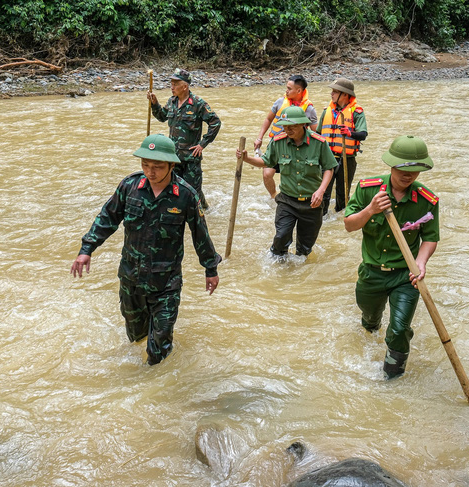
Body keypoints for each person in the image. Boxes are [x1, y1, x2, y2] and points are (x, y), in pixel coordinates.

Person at [70, 134, 221, 365]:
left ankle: (156, 388)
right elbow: (107, 218)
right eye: (145, 165)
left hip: (166, 284)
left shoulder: (186, 195)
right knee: (136, 338)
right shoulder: (129, 186)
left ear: (172, 165)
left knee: (158, 350)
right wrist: (86, 249)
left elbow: (200, 234)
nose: (151, 172)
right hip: (131, 280)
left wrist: (210, 268)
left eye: (158, 167)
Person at [343, 135, 439, 379]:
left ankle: (391, 377)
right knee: (370, 319)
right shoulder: (368, 189)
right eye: (403, 169)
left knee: (399, 329)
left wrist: (421, 262)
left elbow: (430, 238)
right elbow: (349, 225)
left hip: (405, 276)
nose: (408, 176)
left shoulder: (427, 201)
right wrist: (371, 209)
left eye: (415, 171)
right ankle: (371, 326)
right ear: (392, 165)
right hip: (372, 273)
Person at [238, 106, 337, 257]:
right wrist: (246, 159)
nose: (288, 130)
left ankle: (298, 276)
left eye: (292, 127)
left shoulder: (319, 143)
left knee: (304, 250)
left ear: (303, 125)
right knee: (280, 238)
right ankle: (279, 271)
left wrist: (321, 190)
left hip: (312, 203)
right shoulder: (278, 142)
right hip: (287, 201)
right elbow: (266, 161)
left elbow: (329, 168)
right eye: (285, 126)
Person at [147, 68, 221, 209]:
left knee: (193, 192)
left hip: (191, 157)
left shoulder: (198, 104)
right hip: (173, 157)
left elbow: (215, 123)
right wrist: (154, 104)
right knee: (174, 189)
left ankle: (203, 211)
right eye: (171, 83)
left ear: (185, 86)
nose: (172, 87)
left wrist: (202, 144)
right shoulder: (172, 102)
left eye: (175, 84)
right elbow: (162, 117)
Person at [253, 75, 318, 201]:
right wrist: (259, 138)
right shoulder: (280, 102)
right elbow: (268, 119)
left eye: (289, 88)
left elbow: (316, 131)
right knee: (267, 174)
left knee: (296, 176)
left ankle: (296, 197)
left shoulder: (309, 109)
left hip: (296, 148)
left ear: (299, 91)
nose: (286, 91)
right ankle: (274, 197)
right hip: (277, 145)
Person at [317, 78, 368, 216]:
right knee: (324, 191)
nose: (331, 94)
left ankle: (342, 217)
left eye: (335, 91)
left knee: (343, 193)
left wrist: (350, 133)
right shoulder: (326, 111)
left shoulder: (356, 112)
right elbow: (317, 133)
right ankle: (322, 219)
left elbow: (363, 134)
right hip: (327, 158)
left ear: (345, 95)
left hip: (347, 158)